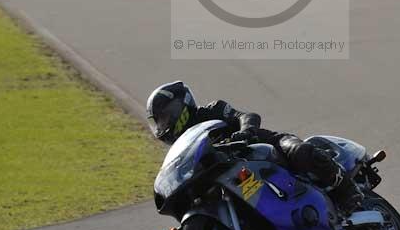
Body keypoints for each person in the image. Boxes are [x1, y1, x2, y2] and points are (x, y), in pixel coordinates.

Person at [146, 80, 356, 211]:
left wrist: (245, 131)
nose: (165, 124)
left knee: (300, 151)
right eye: (160, 121)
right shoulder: (186, 146)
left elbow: (246, 116)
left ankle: (349, 192)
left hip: (266, 146)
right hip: (237, 176)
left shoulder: (211, 110)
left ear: (182, 106)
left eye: (167, 116)